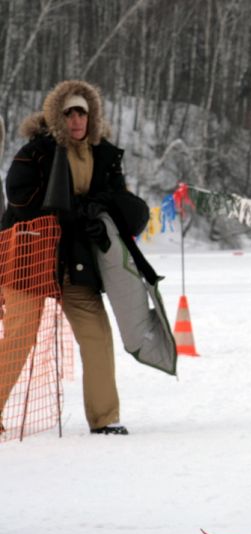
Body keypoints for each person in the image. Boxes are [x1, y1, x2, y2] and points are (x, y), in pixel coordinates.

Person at [2, 80, 150, 435]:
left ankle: (104, 418)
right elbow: (19, 201)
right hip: (30, 258)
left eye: (82, 112)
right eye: (68, 113)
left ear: (91, 115)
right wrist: (72, 207)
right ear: (57, 115)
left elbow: (120, 202)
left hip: (77, 260)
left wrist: (102, 215)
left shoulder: (105, 156)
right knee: (20, 337)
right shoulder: (35, 152)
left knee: (97, 335)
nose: (76, 120)